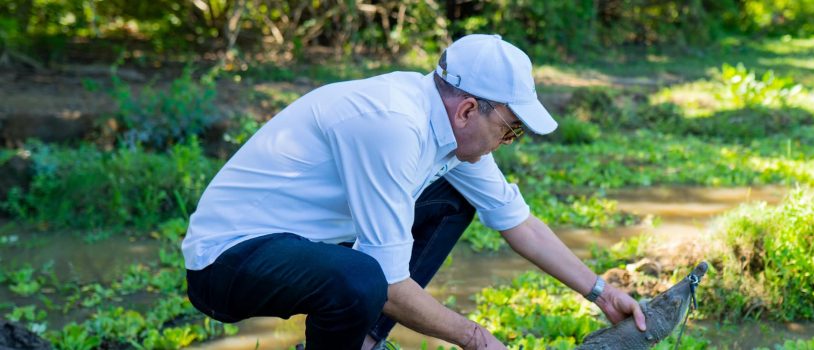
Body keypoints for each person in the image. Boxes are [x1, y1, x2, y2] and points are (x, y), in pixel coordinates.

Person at [181, 34, 646, 350]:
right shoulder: (391, 126)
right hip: (226, 264)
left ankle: (365, 339)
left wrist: (602, 293)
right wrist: (478, 340)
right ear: (467, 110)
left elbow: (517, 221)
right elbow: (388, 283)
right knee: (364, 279)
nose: (508, 142)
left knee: (452, 201)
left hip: (300, 249)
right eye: (511, 130)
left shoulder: (445, 127)